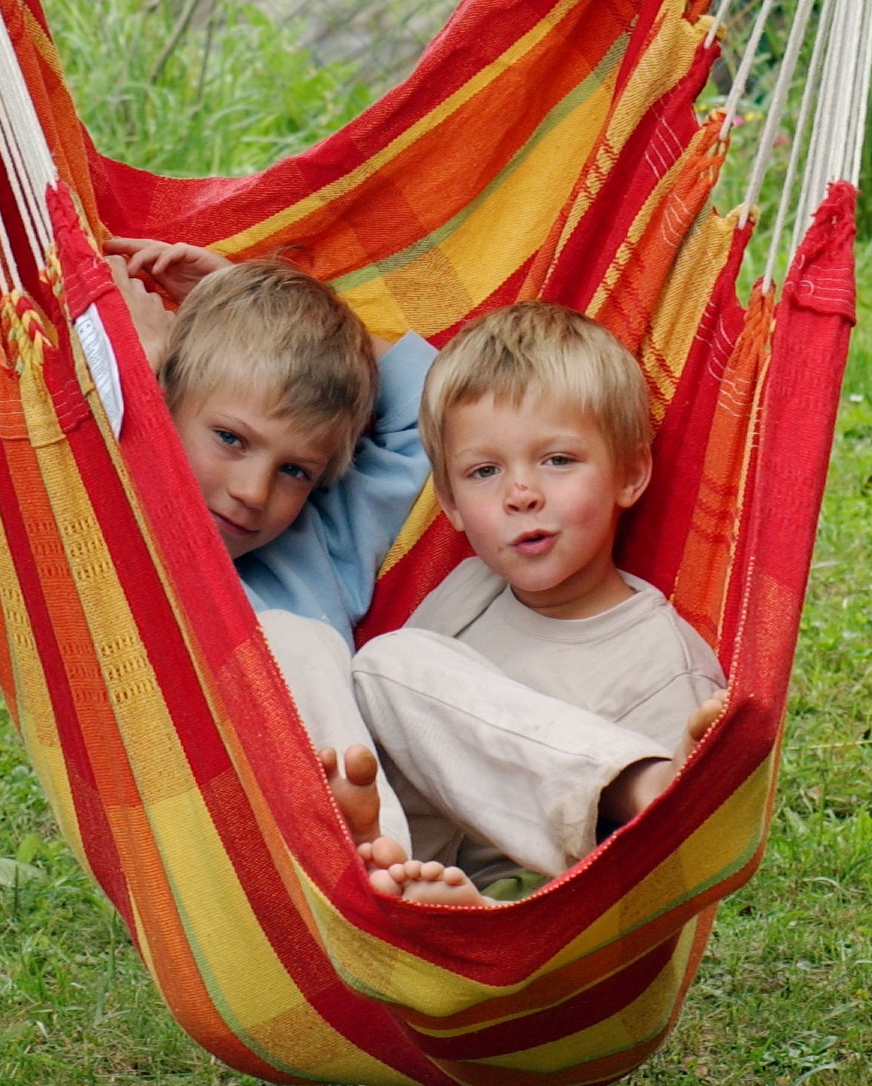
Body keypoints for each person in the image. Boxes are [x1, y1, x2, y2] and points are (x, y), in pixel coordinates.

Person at [349, 299, 726, 906]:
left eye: (558, 460)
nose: (521, 493)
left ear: (630, 474)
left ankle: (632, 784)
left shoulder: (664, 666)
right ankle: (386, 872)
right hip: (400, 857)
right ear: (449, 502)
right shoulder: (467, 592)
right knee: (363, 669)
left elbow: (658, 876)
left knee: (384, 663)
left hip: (552, 912)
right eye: (484, 472)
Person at [105, 236, 431, 862]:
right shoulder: (111, 520)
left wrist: (261, 320)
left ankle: (611, 794)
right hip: (227, 833)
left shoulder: (323, 542)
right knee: (283, 639)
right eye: (231, 439)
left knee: (414, 658)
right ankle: (375, 868)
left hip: (381, 802)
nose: (254, 492)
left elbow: (441, 405)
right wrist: (148, 365)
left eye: (295, 471)